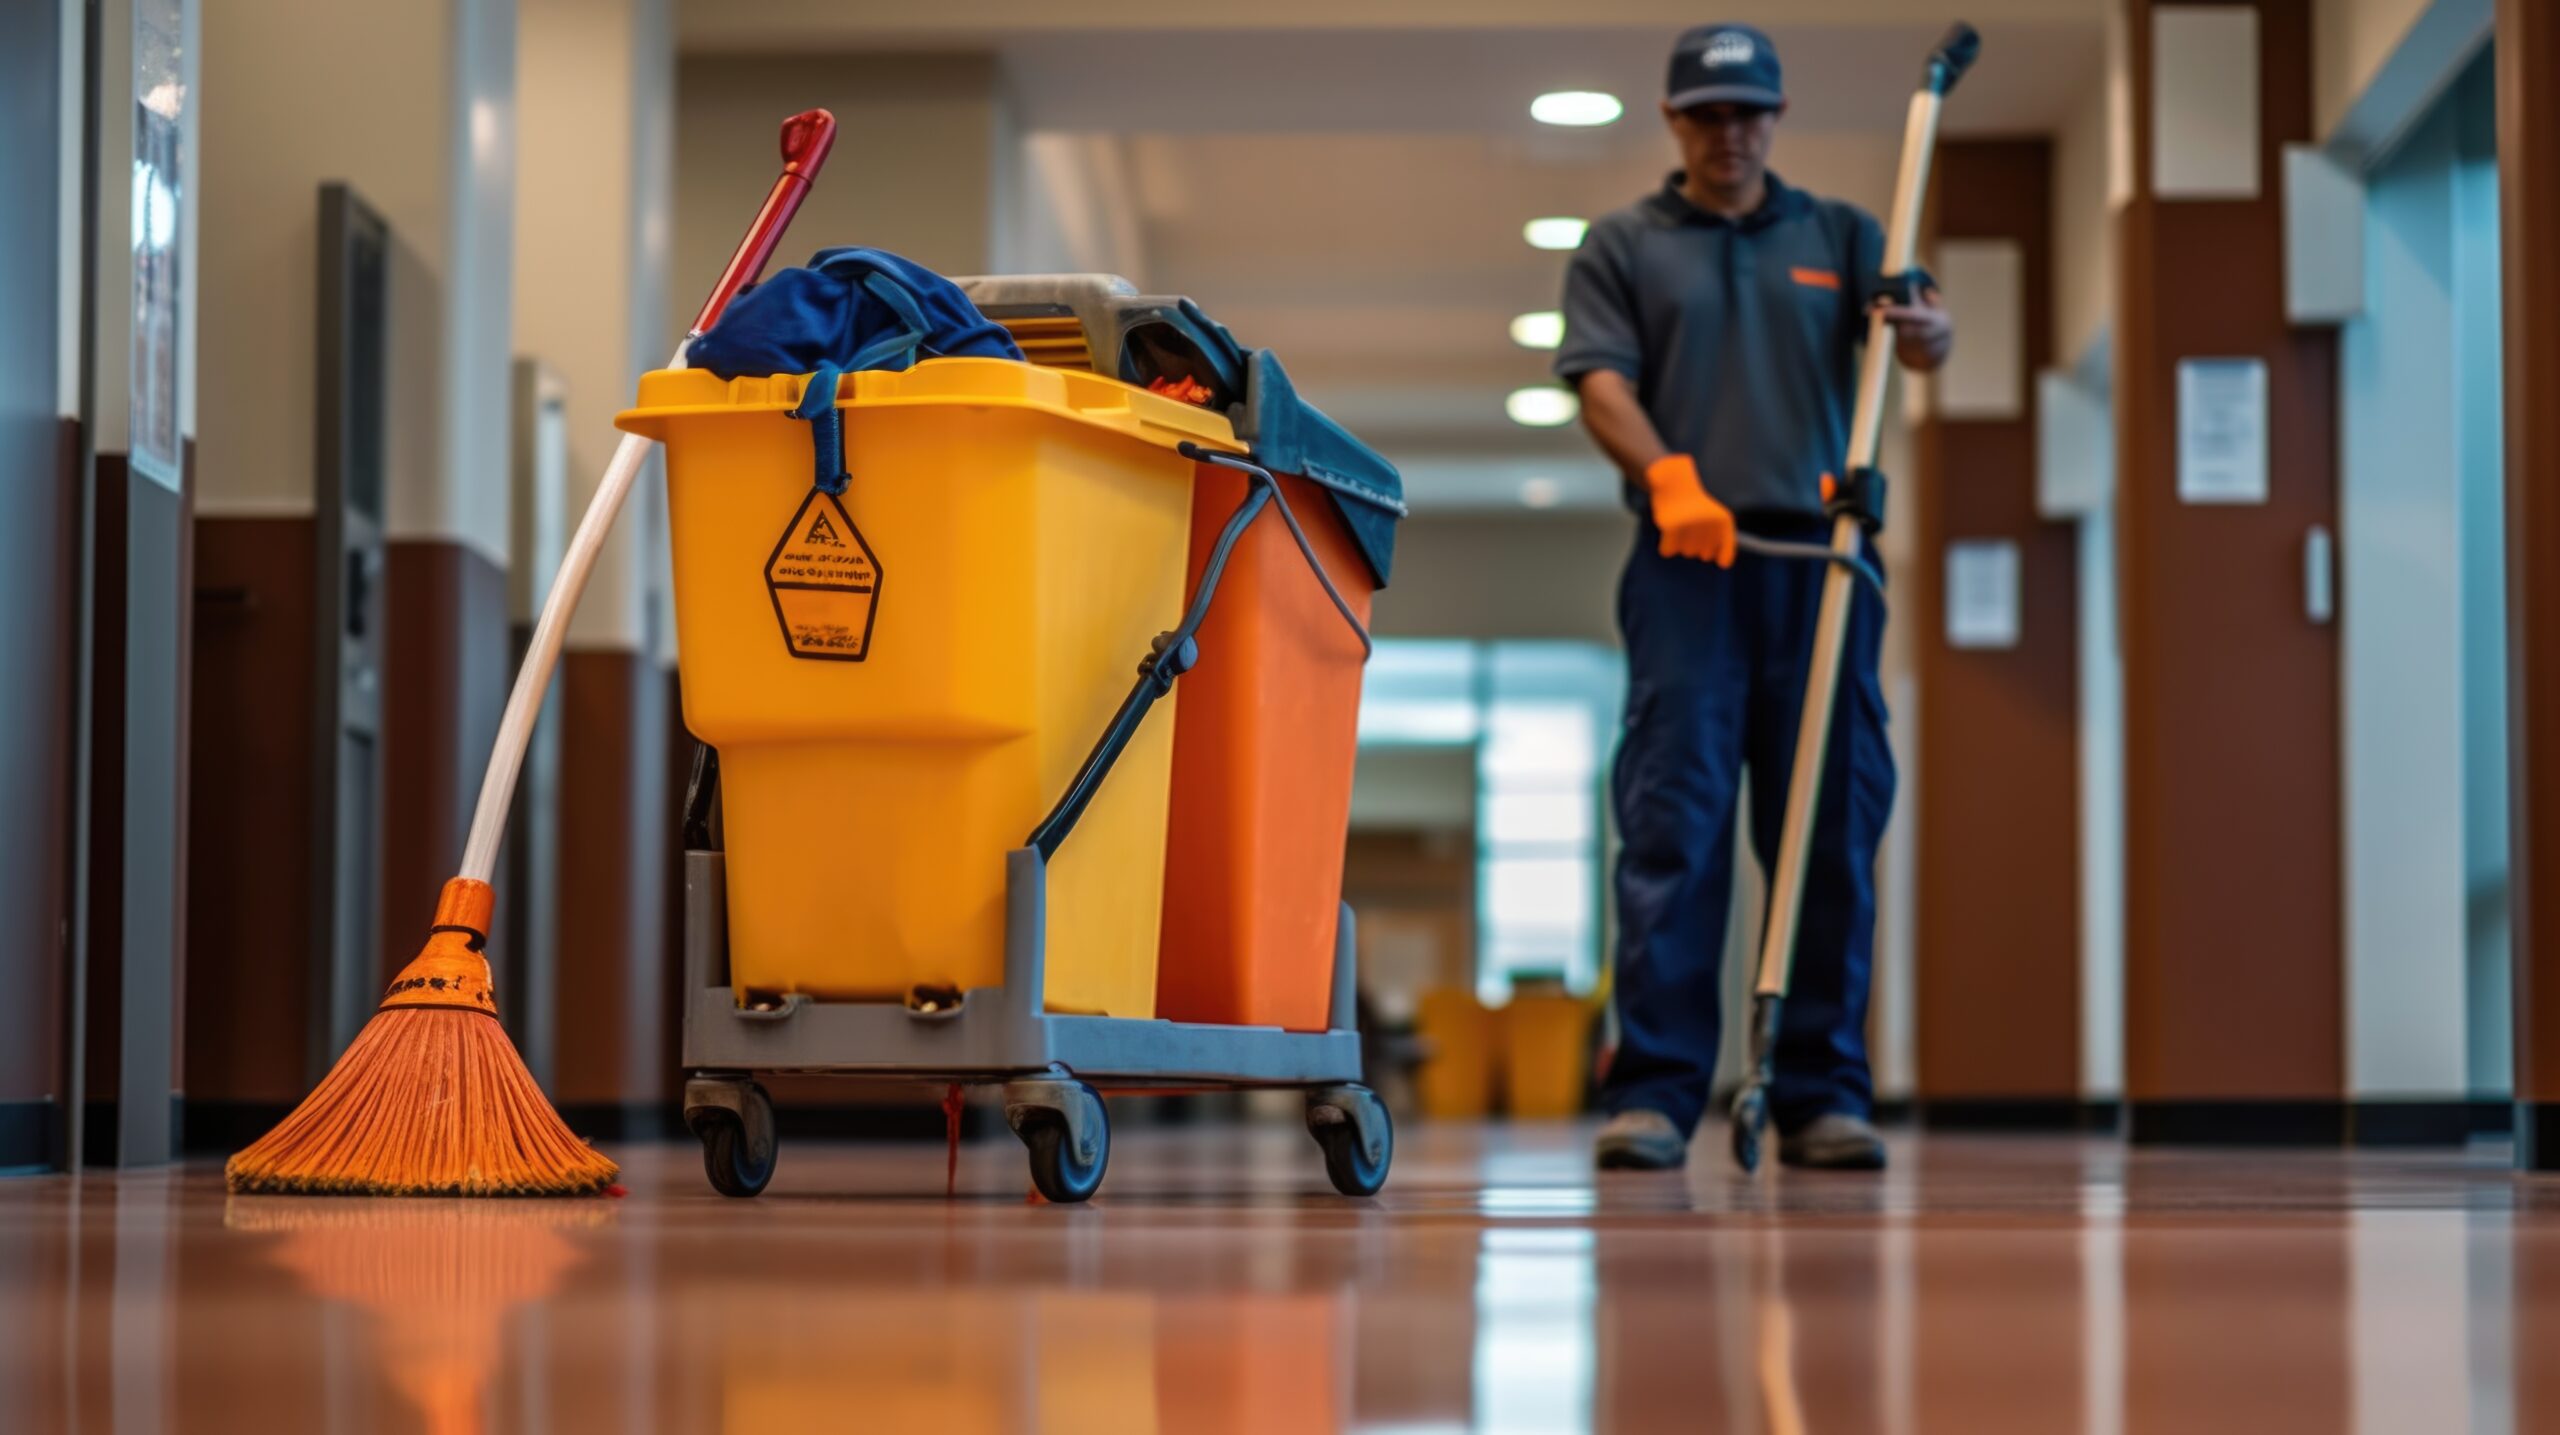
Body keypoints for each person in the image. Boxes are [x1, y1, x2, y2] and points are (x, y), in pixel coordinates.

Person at [1555, 23, 1952, 1172]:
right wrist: (1668, 475)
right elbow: (1597, 381)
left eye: (1747, 113)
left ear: (1775, 118)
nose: (1729, 135)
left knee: (1830, 828)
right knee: (1673, 827)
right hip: (1689, 566)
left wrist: (1928, 329)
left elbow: (1919, 341)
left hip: (1823, 568)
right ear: (1674, 121)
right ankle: (1658, 1094)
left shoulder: (1839, 234)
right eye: (1705, 114)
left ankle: (1822, 1094)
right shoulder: (1624, 244)